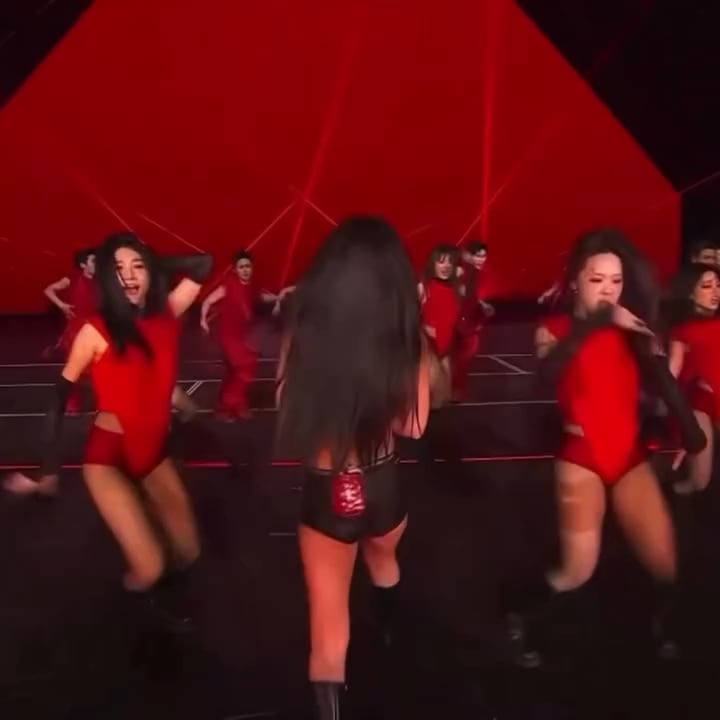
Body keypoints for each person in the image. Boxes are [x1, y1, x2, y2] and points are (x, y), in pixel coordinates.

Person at [510, 228, 705, 667]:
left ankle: (660, 630)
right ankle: (521, 619)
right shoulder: (553, 329)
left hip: (629, 456)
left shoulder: (631, 328)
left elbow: (664, 381)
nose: (608, 290)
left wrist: (692, 433)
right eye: (597, 279)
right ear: (575, 281)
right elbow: (546, 377)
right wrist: (597, 324)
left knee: (664, 561)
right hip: (581, 457)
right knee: (578, 568)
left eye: (616, 281)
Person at [5, 232, 212, 623]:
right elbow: (57, 398)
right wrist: (47, 471)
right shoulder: (95, 331)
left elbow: (204, 264)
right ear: (105, 278)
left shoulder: (168, 313)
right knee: (150, 569)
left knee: (189, 554)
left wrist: (149, 264)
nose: (129, 277)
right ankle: (124, 610)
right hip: (109, 456)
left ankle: (154, 575)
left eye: (137, 267)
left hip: (153, 450)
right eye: (118, 270)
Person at [276, 217, 431, 719]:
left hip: (328, 484)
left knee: (328, 632)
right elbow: (414, 426)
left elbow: (286, 411)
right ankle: (388, 636)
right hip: (383, 480)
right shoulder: (404, 340)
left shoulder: (304, 334)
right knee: (384, 561)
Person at [200, 250, 292, 420]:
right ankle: (231, 404)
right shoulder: (228, 285)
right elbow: (208, 301)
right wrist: (203, 320)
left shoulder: (252, 286)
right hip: (229, 335)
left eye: (247, 266)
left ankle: (227, 407)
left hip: (244, 334)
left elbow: (262, 298)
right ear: (235, 270)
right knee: (245, 368)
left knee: (235, 371)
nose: (245, 270)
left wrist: (278, 297)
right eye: (241, 267)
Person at [666, 263, 720, 494]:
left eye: (718, 285)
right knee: (699, 481)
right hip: (703, 400)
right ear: (691, 292)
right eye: (707, 286)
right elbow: (673, 370)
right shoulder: (683, 329)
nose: (715, 291)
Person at [43, 248, 98, 412]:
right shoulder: (71, 279)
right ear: (83, 265)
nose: (98, 264)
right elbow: (48, 290)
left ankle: (102, 399)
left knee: (99, 366)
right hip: (76, 331)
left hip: (95, 328)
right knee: (75, 368)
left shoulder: (102, 280)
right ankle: (72, 401)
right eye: (94, 261)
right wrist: (62, 305)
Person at [418, 245, 462, 407]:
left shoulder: (456, 290)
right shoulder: (424, 287)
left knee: (444, 399)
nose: (446, 266)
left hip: (447, 345)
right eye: (441, 261)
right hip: (429, 347)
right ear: (433, 264)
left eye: (450, 262)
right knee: (431, 399)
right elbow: (412, 315)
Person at [453, 241, 495, 401]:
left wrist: (483, 306)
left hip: (469, 324)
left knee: (463, 360)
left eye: (484, 256)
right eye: (477, 256)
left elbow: (473, 297)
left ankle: (456, 389)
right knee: (457, 359)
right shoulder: (462, 271)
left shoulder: (476, 274)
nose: (481, 259)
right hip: (458, 323)